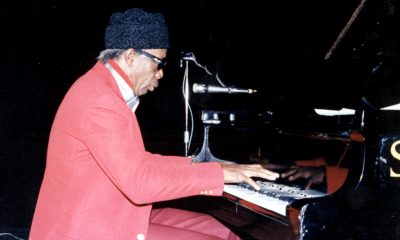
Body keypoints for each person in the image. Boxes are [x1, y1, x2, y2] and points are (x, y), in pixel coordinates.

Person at [29, 8, 279, 240]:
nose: (160, 74)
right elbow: (139, 183)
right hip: (86, 228)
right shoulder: (101, 100)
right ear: (130, 56)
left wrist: (208, 165)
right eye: (158, 63)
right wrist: (217, 174)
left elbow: (139, 162)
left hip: (108, 210)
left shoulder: (101, 88)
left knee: (221, 230)